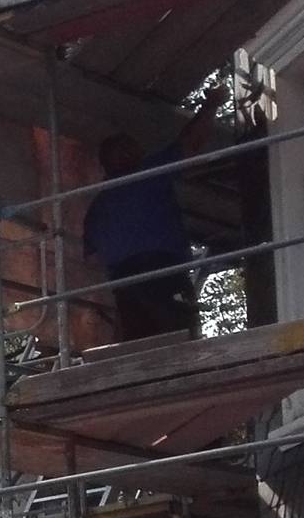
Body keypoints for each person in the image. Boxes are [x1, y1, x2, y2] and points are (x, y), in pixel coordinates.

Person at [84, 83, 227, 342]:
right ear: (126, 154)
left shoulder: (98, 207)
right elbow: (190, 143)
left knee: (141, 344)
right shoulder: (147, 175)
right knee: (180, 339)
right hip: (162, 275)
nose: (139, 150)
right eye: (133, 147)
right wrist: (213, 103)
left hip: (125, 287)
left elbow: (91, 258)